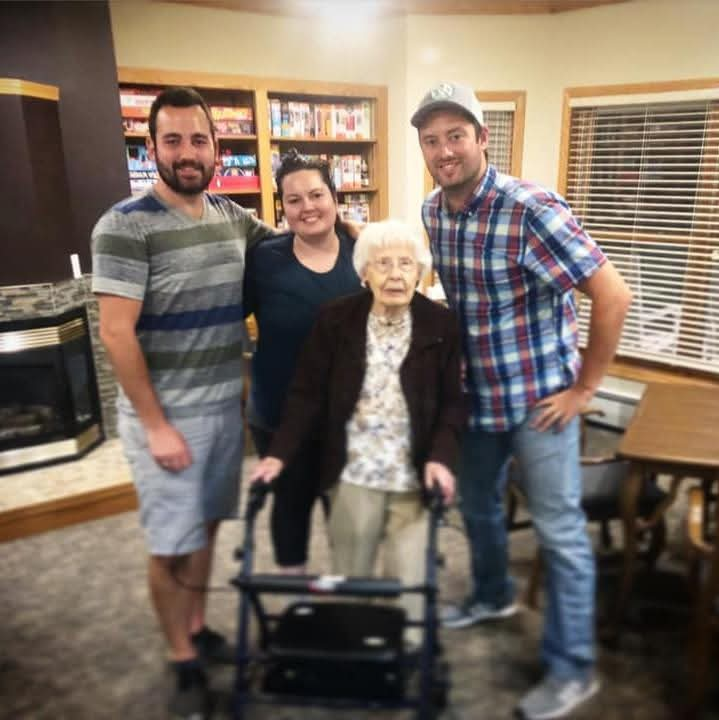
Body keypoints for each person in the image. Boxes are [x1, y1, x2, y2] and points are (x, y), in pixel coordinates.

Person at [411, 81, 632, 720]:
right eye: (432, 140)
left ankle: (573, 669)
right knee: (477, 507)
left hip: (541, 404)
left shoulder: (530, 208)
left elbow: (612, 294)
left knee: (559, 534)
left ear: (483, 138)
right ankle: (492, 593)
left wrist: (584, 389)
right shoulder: (433, 212)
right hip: (476, 400)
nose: (445, 150)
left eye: (457, 136)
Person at [91, 86, 272, 720]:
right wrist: (155, 425)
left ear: (217, 146)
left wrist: (358, 237)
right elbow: (116, 334)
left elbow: (295, 242)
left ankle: (195, 626)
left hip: (224, 412)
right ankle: (181, 656)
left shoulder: (232, 217)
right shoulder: (123, 225)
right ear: (151, 148)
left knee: (208, 528)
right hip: (165, 420)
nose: (187, 152)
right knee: (171, 542)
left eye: (198, 139)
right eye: (172, 140)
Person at [250, 219, 464, 641]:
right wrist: (278, 453)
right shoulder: (336, 319)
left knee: (409, 586)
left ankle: (405, 658)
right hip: (354, 472)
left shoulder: (441, 325)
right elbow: (307, 394)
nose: (396, 274)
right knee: (352, 581)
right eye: (383, 263)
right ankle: (357, 654)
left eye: (406, 264)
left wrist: (441, 459)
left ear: (420, 272)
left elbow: (454, 404)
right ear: (364, 272)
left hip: (413, 475)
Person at [243, 149, 362, 575]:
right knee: (290, 506)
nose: (307, 207)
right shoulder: (263, 259)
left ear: (334, 197)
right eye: (294, 200)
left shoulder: (362, 251)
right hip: (278, 417)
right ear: (283, 208)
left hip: (347, 418)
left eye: (316, 195)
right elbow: (229, 316)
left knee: (347, 511)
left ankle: (349, 592)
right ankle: (297, 594)